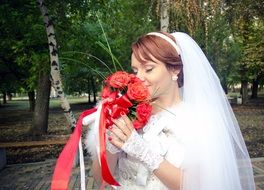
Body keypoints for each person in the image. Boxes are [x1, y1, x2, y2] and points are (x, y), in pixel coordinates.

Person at [85, 32, 255, 190]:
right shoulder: (129, 112)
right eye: (135, 70)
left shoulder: (199, 121)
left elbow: (197, 185)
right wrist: (112, 143)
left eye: (149, 69)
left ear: (175, 69)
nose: (138, 78)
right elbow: (101, 178)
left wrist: (142, 151)